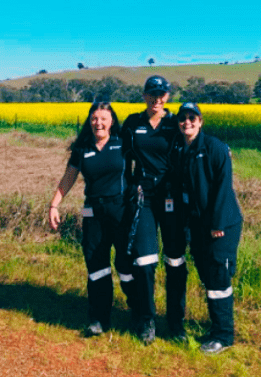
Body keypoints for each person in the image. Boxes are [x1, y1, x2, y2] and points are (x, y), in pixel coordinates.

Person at [49, 102, 137, 336]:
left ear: (112, 121)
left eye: (103, 118)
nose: (98, 123)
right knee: (97, 266)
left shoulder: (123, 143)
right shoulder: (83, 148)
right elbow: (69, 177)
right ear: (90, 122)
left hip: (121, 212)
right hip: (93, 215)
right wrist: (54, 204)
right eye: (94, 119)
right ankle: (99, 318)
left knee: (126, 265)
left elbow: (152, 155)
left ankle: (138, 312)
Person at [121, 75, 187, 344]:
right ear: (144, 95)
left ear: (168, 96)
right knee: (145, 262)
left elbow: (198, 142)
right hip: (143, 199)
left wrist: (221, 150)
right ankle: (146, 318)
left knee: (175, 262)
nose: (157, 98)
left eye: (162, 94)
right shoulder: (132, 123)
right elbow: (121, 158)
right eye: (152, 93)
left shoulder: (176, 122)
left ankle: (175, 321)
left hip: (171, 200)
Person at [173, 102, 243, 354]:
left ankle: (224, 337)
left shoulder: (215, 148)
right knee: (208, 276)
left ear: (201, 121)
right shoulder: (182, 149)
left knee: (218, 278)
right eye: (183, 118)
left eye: (192, 118)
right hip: (198, 225)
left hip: (221, 225)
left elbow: (223, 188)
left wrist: (217, 224)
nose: (187, 122)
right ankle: (217, 328)